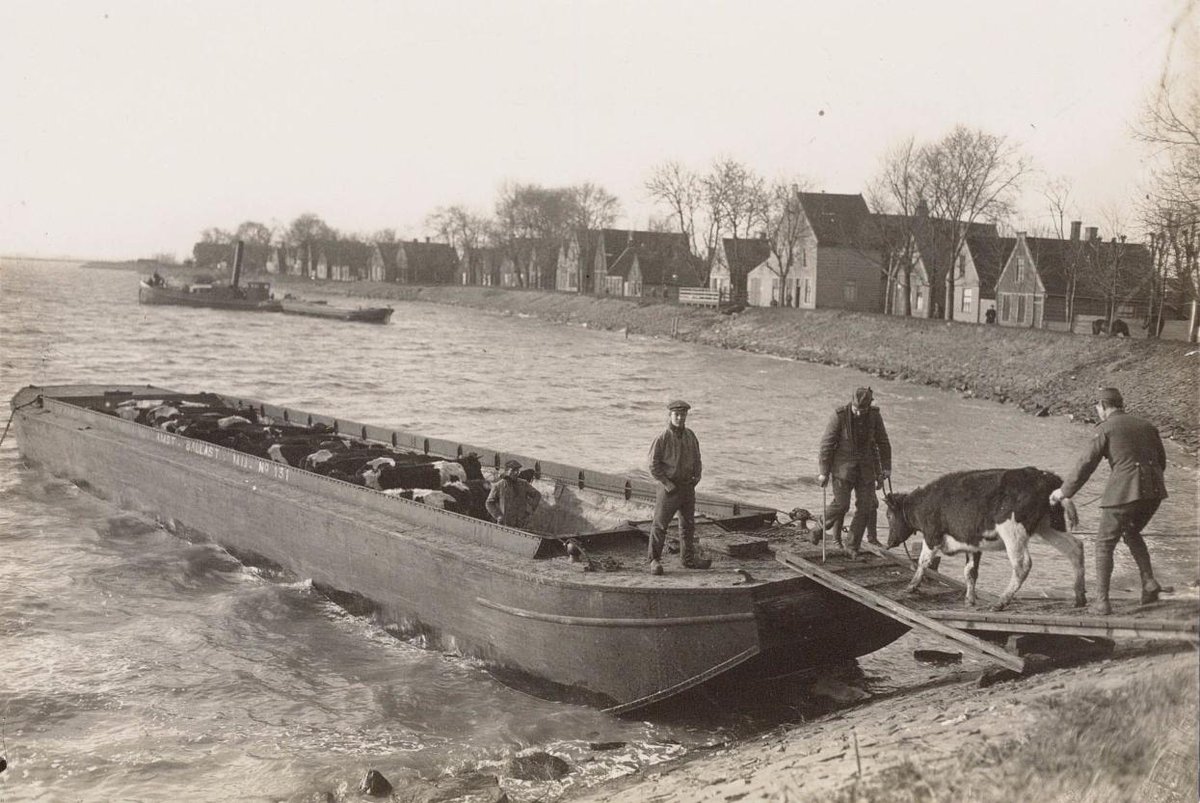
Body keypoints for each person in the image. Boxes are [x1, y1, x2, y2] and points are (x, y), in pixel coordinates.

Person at [1050, 387, 1167, 615]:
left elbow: (1086, 463)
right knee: (1132, 532)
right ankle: (1149, 583)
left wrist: (1063, 492)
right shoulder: (1147, 426)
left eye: (1098, 408)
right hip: (1154, 493)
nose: (1098, 412)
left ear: (1103, 406)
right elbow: (1161, 462)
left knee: (1104, 543)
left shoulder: (1106, 428)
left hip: (1125, 494)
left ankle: (1102, 602)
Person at [817, 387, 892, 557]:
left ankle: (852, 546)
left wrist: (886, 468)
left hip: (866, 470)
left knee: (866, 507)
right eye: (856, 409)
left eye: (862, 410)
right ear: (851, 403)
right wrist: (823, 472)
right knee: (842, 505)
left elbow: (883, 442)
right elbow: (826, 445)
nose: (859, 413)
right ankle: (819, 527)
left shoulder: (874, 416)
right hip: (842, 469)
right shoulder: (839, 416)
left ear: (868, 406)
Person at [647, 399, 710, 575]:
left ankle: (688, 560)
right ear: (670, 415)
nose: (680, 418)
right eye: (677, 414)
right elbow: (653, 465)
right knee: (660, 525)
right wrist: (667, 484)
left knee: (688, 526)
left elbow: (698, 460)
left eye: (683, 414)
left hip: (687, 488)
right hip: (669, 489)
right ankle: (654, 560)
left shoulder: (691, 436)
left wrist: (696, 478)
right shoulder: (662, 438)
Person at [486, 459, 542, 529]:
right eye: (513, 470)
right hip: (505, 523)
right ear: (506, 471)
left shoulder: (523, 484)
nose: (516, 473)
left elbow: (537, 495)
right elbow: (489, 503)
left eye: (518, 470)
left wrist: (530, 509)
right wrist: (498, 516)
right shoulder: (498, 486)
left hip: (521, 522)